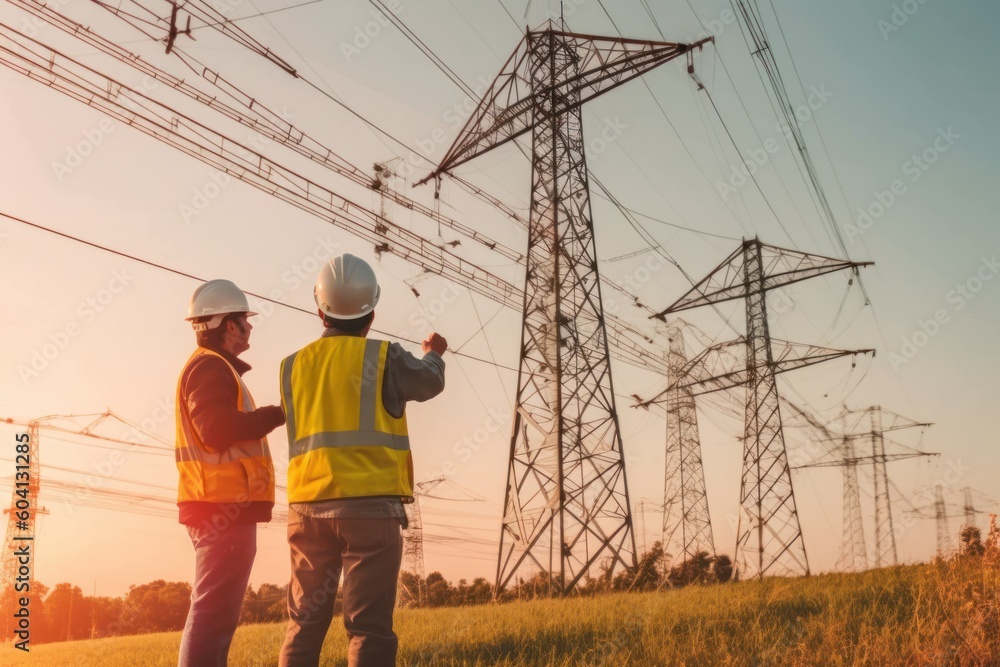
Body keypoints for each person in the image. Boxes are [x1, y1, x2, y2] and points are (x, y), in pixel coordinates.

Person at [278, 254, 446, 667]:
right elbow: (429, 382)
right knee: (368, 629)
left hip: (307, 509)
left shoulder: (291, 367)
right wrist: (434, 353)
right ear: (372, 311)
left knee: (303, 624)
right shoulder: (385, 357)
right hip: (370, 510)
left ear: (321, 312)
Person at [174, 279, 286, 667]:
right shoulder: (209, 367)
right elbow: (215, 430)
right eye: (244, 320)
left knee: (216, 615)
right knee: (212, 616)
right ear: (227, 326)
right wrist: (276, 415)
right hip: (221, 508)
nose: (250, 327)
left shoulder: (214, 367)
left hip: (220, 507)